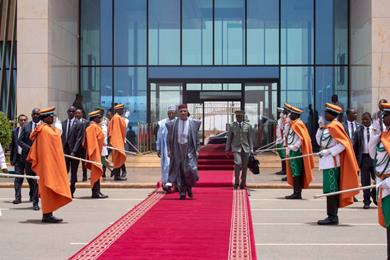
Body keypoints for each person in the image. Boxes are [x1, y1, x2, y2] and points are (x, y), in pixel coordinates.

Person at [316, 103, 359, 225]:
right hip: (326, 162)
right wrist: (320, 128)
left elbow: (343, 145)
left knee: (331, 191)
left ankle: (332, 216)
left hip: (332, 163)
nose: (324, 115)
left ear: (331, 114)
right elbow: (320, 141)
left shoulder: (336, 126)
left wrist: (328, 151)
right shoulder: (328, 127)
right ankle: (331, 215)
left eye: (326, 113)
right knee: (329, 190)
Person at [27, 107, 72, 223]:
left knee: (49, 189)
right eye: (51, 116)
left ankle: (48, 213)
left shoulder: (45, 129)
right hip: (48, 166)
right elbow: (56, 136)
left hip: (48, 165)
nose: (53, 118)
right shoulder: (46, 131)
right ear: (45, 117)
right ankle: (47, 214)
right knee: (48, 188)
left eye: (53, 116)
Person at [166, 104, 201, 199]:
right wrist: (169, 150)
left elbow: (197, 139)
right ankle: (182, 191)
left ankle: (189, 187)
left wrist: (197, 150)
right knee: (180, 170)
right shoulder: (172, 124)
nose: (183, 113)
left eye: (184, 111)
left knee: (190, 170)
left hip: (189, 150)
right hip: (177, 150)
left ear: (187, 112)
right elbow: (169, 139)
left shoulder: (193, 123)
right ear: (178, 113)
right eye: (181, 111)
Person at [369, 102, 390, 259]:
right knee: (388, 224)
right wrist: (375, 133)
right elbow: (372, 153)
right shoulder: (383, 136)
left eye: (386, 115)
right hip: (383, 185)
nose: (383, 118)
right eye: (382, 115)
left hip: (388, 184)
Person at [284, 104, 314, 199]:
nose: (290, 115)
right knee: (294, 171)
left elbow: (302, 139)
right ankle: (296, 192)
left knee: (296, 172)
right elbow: (286, 135)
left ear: (296, 115)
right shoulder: (292, 124)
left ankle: (297, 193)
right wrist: (287, 124)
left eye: (291, 114)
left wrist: (293, 147)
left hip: (296, 151)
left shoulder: (298, 124)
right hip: (292, 150)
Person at [10, 114, 38, 209]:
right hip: (18, 158)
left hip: (27, 158)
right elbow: (13, 146)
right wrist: (11, 159)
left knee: (30, 179)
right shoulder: (14, 131)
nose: (23, 122)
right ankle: (18, 198)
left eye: (24, 120)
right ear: (18, 121)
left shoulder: (29, 130)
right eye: (21, 120)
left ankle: (32, 195)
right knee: (18, 179)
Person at [17, 108, 40, 210]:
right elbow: (19, 141)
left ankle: (35, 203)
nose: (36, 115)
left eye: (37, 114)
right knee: (30, 179)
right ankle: (32, 192)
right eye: (34, 114)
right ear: (31, 115)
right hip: (28, 157)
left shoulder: (43, 126)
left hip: (39, 159)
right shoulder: (26, 126)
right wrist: (29, 149)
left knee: (36, 180)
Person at [353, 112, 377, 209]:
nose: (365, 121)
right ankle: (366, 201)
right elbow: (355, 146)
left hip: (375, 159)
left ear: (371, 119)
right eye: (363, 119)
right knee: (365, 182)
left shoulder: (376, 130)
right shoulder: (358, 131)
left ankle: (374, 195)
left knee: (377, 180)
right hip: (364, 159)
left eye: (366, 119)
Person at [225, 110, 253, 190]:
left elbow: (250, 138)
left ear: (243, 117)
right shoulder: (232, 126)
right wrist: (227, 149)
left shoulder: (248, 126)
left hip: (246, 148)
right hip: (236, 148)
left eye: (240, 117)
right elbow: (229, 138)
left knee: (244, 167)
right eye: (237, 117)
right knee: (237, 163)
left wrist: (251, 149)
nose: (239, 118)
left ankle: (243, 183)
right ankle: (236, 183)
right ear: (235, 117)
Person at [85, 110, 108, 199]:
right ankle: (95, 192)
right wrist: (94, 155)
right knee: (96, 172)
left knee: (97, 173)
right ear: (94, 118)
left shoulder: (96, 126)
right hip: (95, 153)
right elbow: (92, 143)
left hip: (98, 152)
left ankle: (97, 191)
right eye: (99, 117)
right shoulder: (92, 127)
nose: (100, 118)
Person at [61, 106, 84, 197]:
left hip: (75, 152)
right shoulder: (63, 123)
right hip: (65, 152)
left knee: (73, 172)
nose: (71, 112)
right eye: (69, 111)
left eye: (73, 111)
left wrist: (74, 151)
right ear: (67, 112)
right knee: (64, 171)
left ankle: (71, 190)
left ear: (75, 113)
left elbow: (79, 139)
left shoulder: (79, 124)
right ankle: (64, 189)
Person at [156, 105, 176, 192]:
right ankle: (167, 183)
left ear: (175, 113)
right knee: (166, 166)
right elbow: (159, 136)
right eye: (169, 113)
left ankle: (173, 184)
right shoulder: (162, 123)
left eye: (172, 113)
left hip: (176, 148)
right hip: (165, 148)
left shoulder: (178, 122)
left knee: (174, 166)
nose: (171, 114)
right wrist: (158, 148)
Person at [108, 104, 127, 181]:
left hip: (119, 141)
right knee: (117, 159)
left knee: (118, 159)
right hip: (117, 142)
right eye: (121, 109)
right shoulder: (116, 118)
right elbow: (116, 132)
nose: (123, 111)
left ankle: (117, 175)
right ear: (118, 110)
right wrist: (117, 143)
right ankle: (117, 176)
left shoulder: (118, 117)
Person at [75, 108, 89, 182]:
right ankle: (75, 177)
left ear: (82, 114)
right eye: (76, 113)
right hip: (76, 146)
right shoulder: (73, 122)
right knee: (75, 163)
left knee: (84, 162)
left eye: (79, 113)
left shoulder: (86, 122)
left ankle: (85, 176)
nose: (77, 114)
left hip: (83, 146)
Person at [275, 107, 287, 176]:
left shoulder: (283, 120)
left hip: (282, 141)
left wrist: (284, 113)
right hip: (279, 140)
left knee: (283, 156)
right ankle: (283, 169)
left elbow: (283, 129)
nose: (280, 113)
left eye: (281, 112)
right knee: (281, 156)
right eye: (280, 112)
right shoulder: (279, 120)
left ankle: (285, 170)